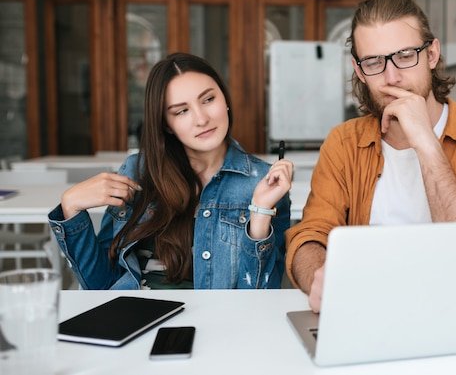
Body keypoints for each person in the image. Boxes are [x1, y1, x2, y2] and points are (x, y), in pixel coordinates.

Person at [285, 0, 456, 312]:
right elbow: (309, 236)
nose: (392, 76)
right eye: (374, 62)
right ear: (359, 69)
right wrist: (320, 277)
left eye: (406, 55)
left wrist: (425, 142)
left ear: (432, 54)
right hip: (366, 310)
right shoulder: (343, 142)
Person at [49, 52, 293, 290]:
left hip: (219, 325)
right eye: (181, 111)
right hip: (135, 320)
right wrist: (71, 207)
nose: (201, 119)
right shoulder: (136, 171)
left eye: (208, 99)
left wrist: (259, 216)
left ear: (225, 100)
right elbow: (102, 284)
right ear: (166, 124)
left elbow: (258, 301)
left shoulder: (265, 182)